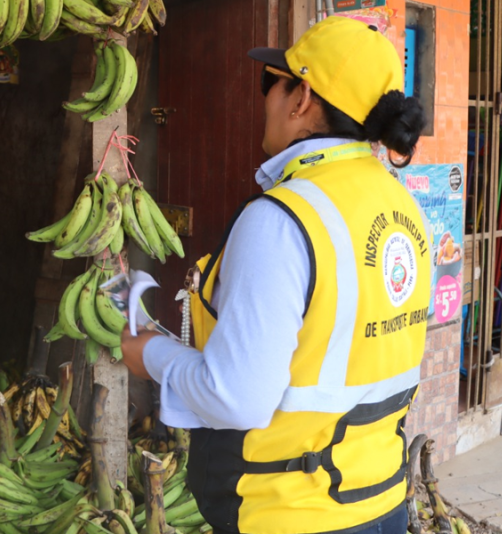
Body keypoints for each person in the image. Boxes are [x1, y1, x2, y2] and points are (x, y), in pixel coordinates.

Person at [120, 16, 430, 534]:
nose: (264, 98)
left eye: (272, 83)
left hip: (293, 512)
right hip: (381, 501)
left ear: (301, 98)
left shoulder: (284, 219)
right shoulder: (402, 205)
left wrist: (149, 353)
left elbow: (236, 396)